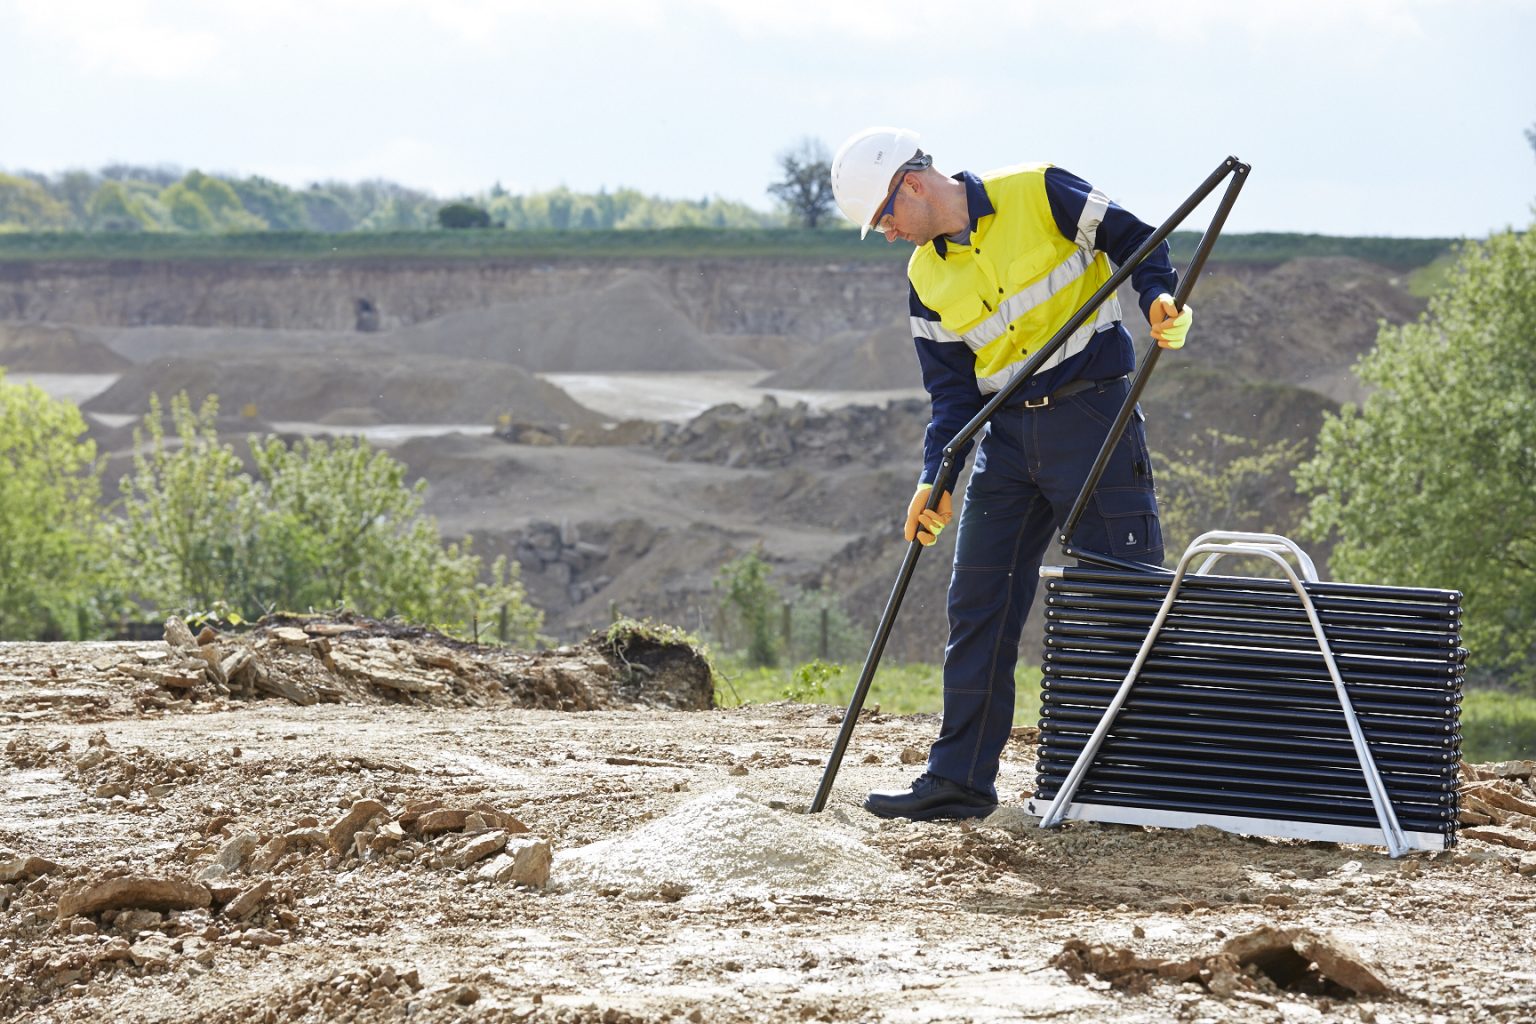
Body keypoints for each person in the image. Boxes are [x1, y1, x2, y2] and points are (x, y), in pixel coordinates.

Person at [828, 126, 1192, 821]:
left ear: (910, 184)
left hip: (1095, 420)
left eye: (884, 218)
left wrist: (1155, 301)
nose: (887, 234)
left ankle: (1135, 783)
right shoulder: (925, 280)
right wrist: (934, 478)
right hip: (1007, 436)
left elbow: (1139, 240)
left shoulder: (1040, 190)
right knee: (978, 603)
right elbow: (954, 398)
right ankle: (960, 781)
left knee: (1120, 601)